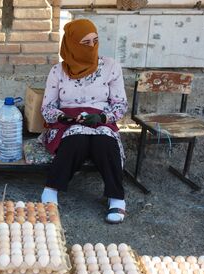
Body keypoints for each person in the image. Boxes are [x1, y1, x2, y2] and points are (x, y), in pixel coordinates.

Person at [39, 18, 128, 224]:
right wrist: (64, 117)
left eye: (95, 41)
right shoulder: (58, 71)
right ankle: (51, 190)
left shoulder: (110, 67)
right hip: (68, 122)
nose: (92, 47)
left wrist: (103, 117)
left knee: (105, 141)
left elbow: (120, 104)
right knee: (76, 139)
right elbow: (47, 107)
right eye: (85, 43)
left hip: (101, 119)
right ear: (71, 44)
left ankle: (116, 197)